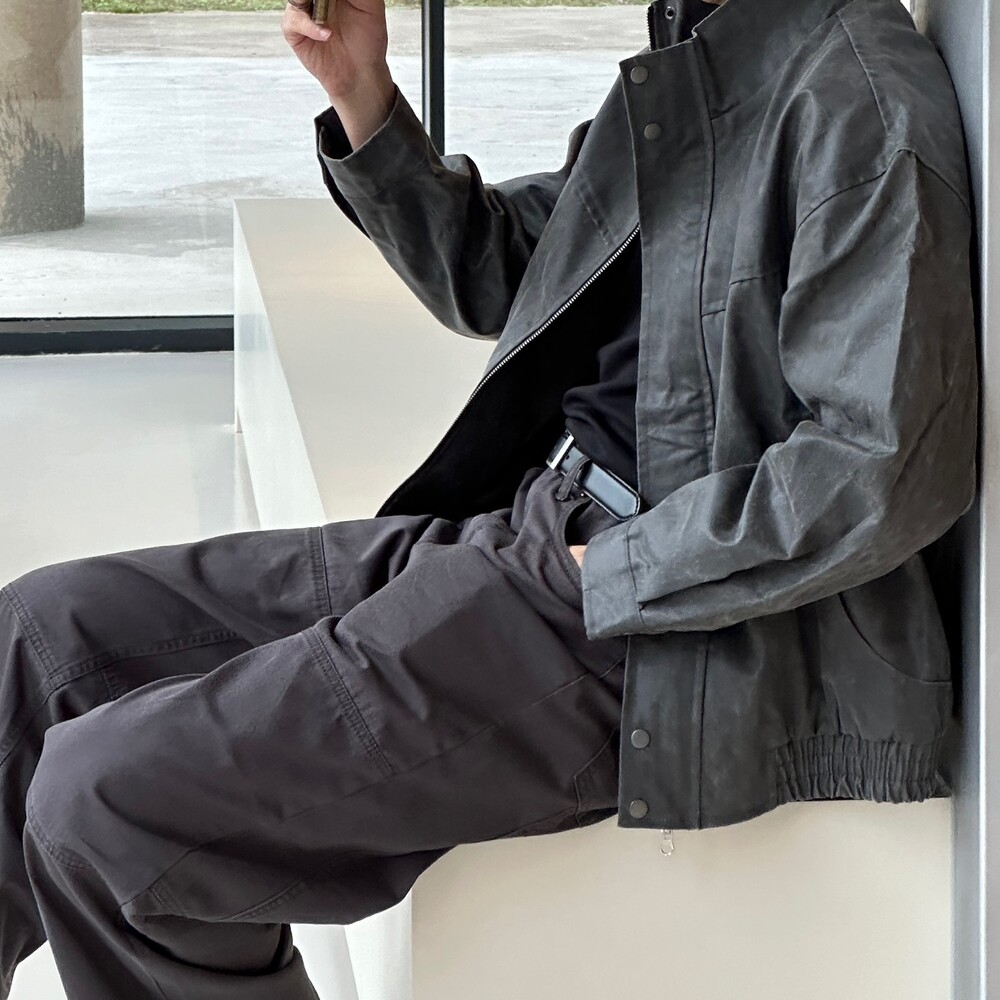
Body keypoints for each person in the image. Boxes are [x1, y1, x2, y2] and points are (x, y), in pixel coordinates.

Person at [0, 0, 977, 996]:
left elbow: (881, 463)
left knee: (103, 807)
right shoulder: (702, 63)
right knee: (39, 637)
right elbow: (505, 269)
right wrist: (363, 96)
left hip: (659, 623)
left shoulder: (857, 102)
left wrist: (608, 571)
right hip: (544, 531)